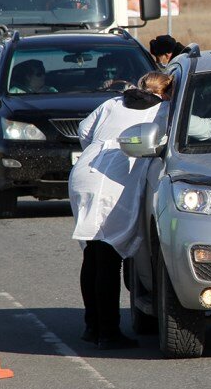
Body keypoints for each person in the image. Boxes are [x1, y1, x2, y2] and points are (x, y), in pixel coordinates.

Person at [69, 71, 172, 350]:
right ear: (166, 92)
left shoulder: (113, 103)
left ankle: (92, 327)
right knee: (108, 257)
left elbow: (85, 131)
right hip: (112, 179)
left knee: (92, 253)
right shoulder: (163, 109)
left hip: (85, 172)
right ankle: (109, 332)